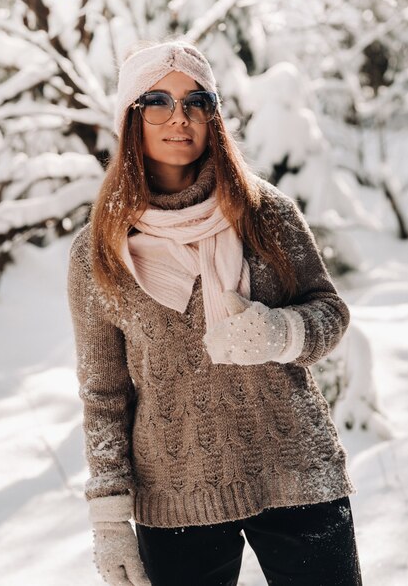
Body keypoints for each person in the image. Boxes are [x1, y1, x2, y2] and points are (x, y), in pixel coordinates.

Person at [67, 38, 363, 586]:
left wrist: (281, 333)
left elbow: (331, 312)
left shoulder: (264, 211)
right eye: (157, 101)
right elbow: (103, 393)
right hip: (175, 497)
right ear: (131, 117)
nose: (179, 118)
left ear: (214, 117)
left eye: (196, 101)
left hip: (297, 471)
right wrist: (109, 521)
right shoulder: (99, 250)